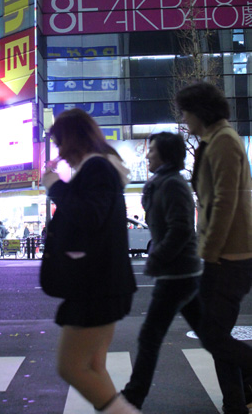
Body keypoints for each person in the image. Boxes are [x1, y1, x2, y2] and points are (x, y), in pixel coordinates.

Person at [41, 108, 138, 414]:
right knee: (94, 366)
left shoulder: (97, 168)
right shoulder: (100, 168)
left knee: (71, 367)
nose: (60, 152)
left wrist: (55, 185)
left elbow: (89, 216)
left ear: (72, 139)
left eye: (60, 143)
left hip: (96, 287)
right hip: (101, 285)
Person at [176, 81, 252, 414]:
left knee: (215, 336)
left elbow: (224, 203)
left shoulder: (223, 142)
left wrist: (209, 253)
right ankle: (238, 399)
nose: (184, 119)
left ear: (200, 112)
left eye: (186, 112)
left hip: (230, 256)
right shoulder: (213, 140)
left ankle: (238, 399)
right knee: (215, 335)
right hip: (223, 255)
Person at [121, 132, 202, 409]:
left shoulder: (172, 185)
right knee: (212, 336)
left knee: (150, 335)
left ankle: (133, 397)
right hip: (181, 273)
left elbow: (181, 229)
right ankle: (247, 378)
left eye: (152, 150)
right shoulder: (163, 183)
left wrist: (157, 258)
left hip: (177, 274)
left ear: (165, 154)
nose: (147, 155)